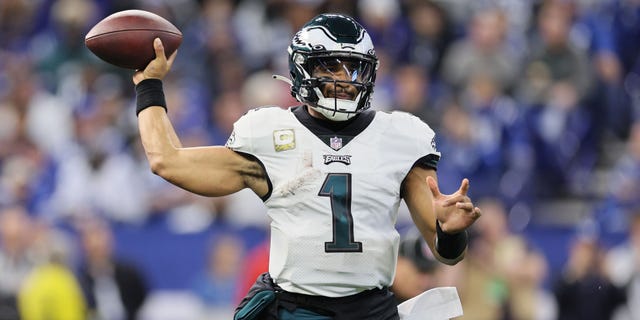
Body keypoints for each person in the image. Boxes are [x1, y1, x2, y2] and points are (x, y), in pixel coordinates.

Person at [131, 13, 481, 319]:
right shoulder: (268, 133)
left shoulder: (401, 137)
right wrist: (149, 85)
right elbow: (167, 160)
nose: (345, 80)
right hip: (297, 311)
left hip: (370, 312)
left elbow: (447, 254)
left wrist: (451, 231)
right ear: (303, 68)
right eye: (331, 66)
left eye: (353, 67)